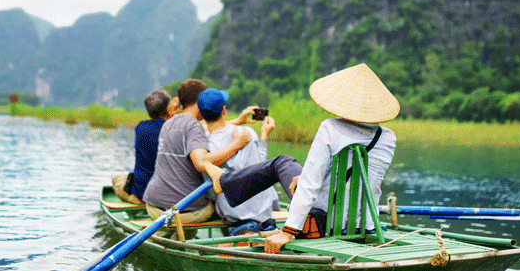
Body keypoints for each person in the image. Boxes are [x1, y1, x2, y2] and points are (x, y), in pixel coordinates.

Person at [204, 63, 398, 254]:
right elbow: (356, 178)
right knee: (294, 171)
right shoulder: (388, 138)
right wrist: (305, 176)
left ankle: (223, 181)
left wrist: (288, 231)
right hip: (363, 225)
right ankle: (224, 181)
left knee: (281, 162)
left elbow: (310, 185)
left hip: (321, 223)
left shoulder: (330, 128)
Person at [141, 79, 253, 235]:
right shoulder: (194, 126)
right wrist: (236, 144)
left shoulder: (170, 122)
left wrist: (237, 121)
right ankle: (235, 239)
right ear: (199, 101)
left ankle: (176, 239)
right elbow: (201, 162)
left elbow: (202, 129)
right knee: (225, 204)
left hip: (153, 205)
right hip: (181, 211)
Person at [197, 87, 281, 236]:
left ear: (200, 114)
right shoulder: (247, 133)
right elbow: (262, 167)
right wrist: (264, 136)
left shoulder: (202, 147)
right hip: (264, 215)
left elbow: (212, 192)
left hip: (234, 218)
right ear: (224, 110)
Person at [111, 89, 174, 205]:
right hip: (168, 195)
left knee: (116, 178)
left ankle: (135, 200)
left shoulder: (140, 127)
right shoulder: (174, 130)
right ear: (168, 109)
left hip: (141, 194)